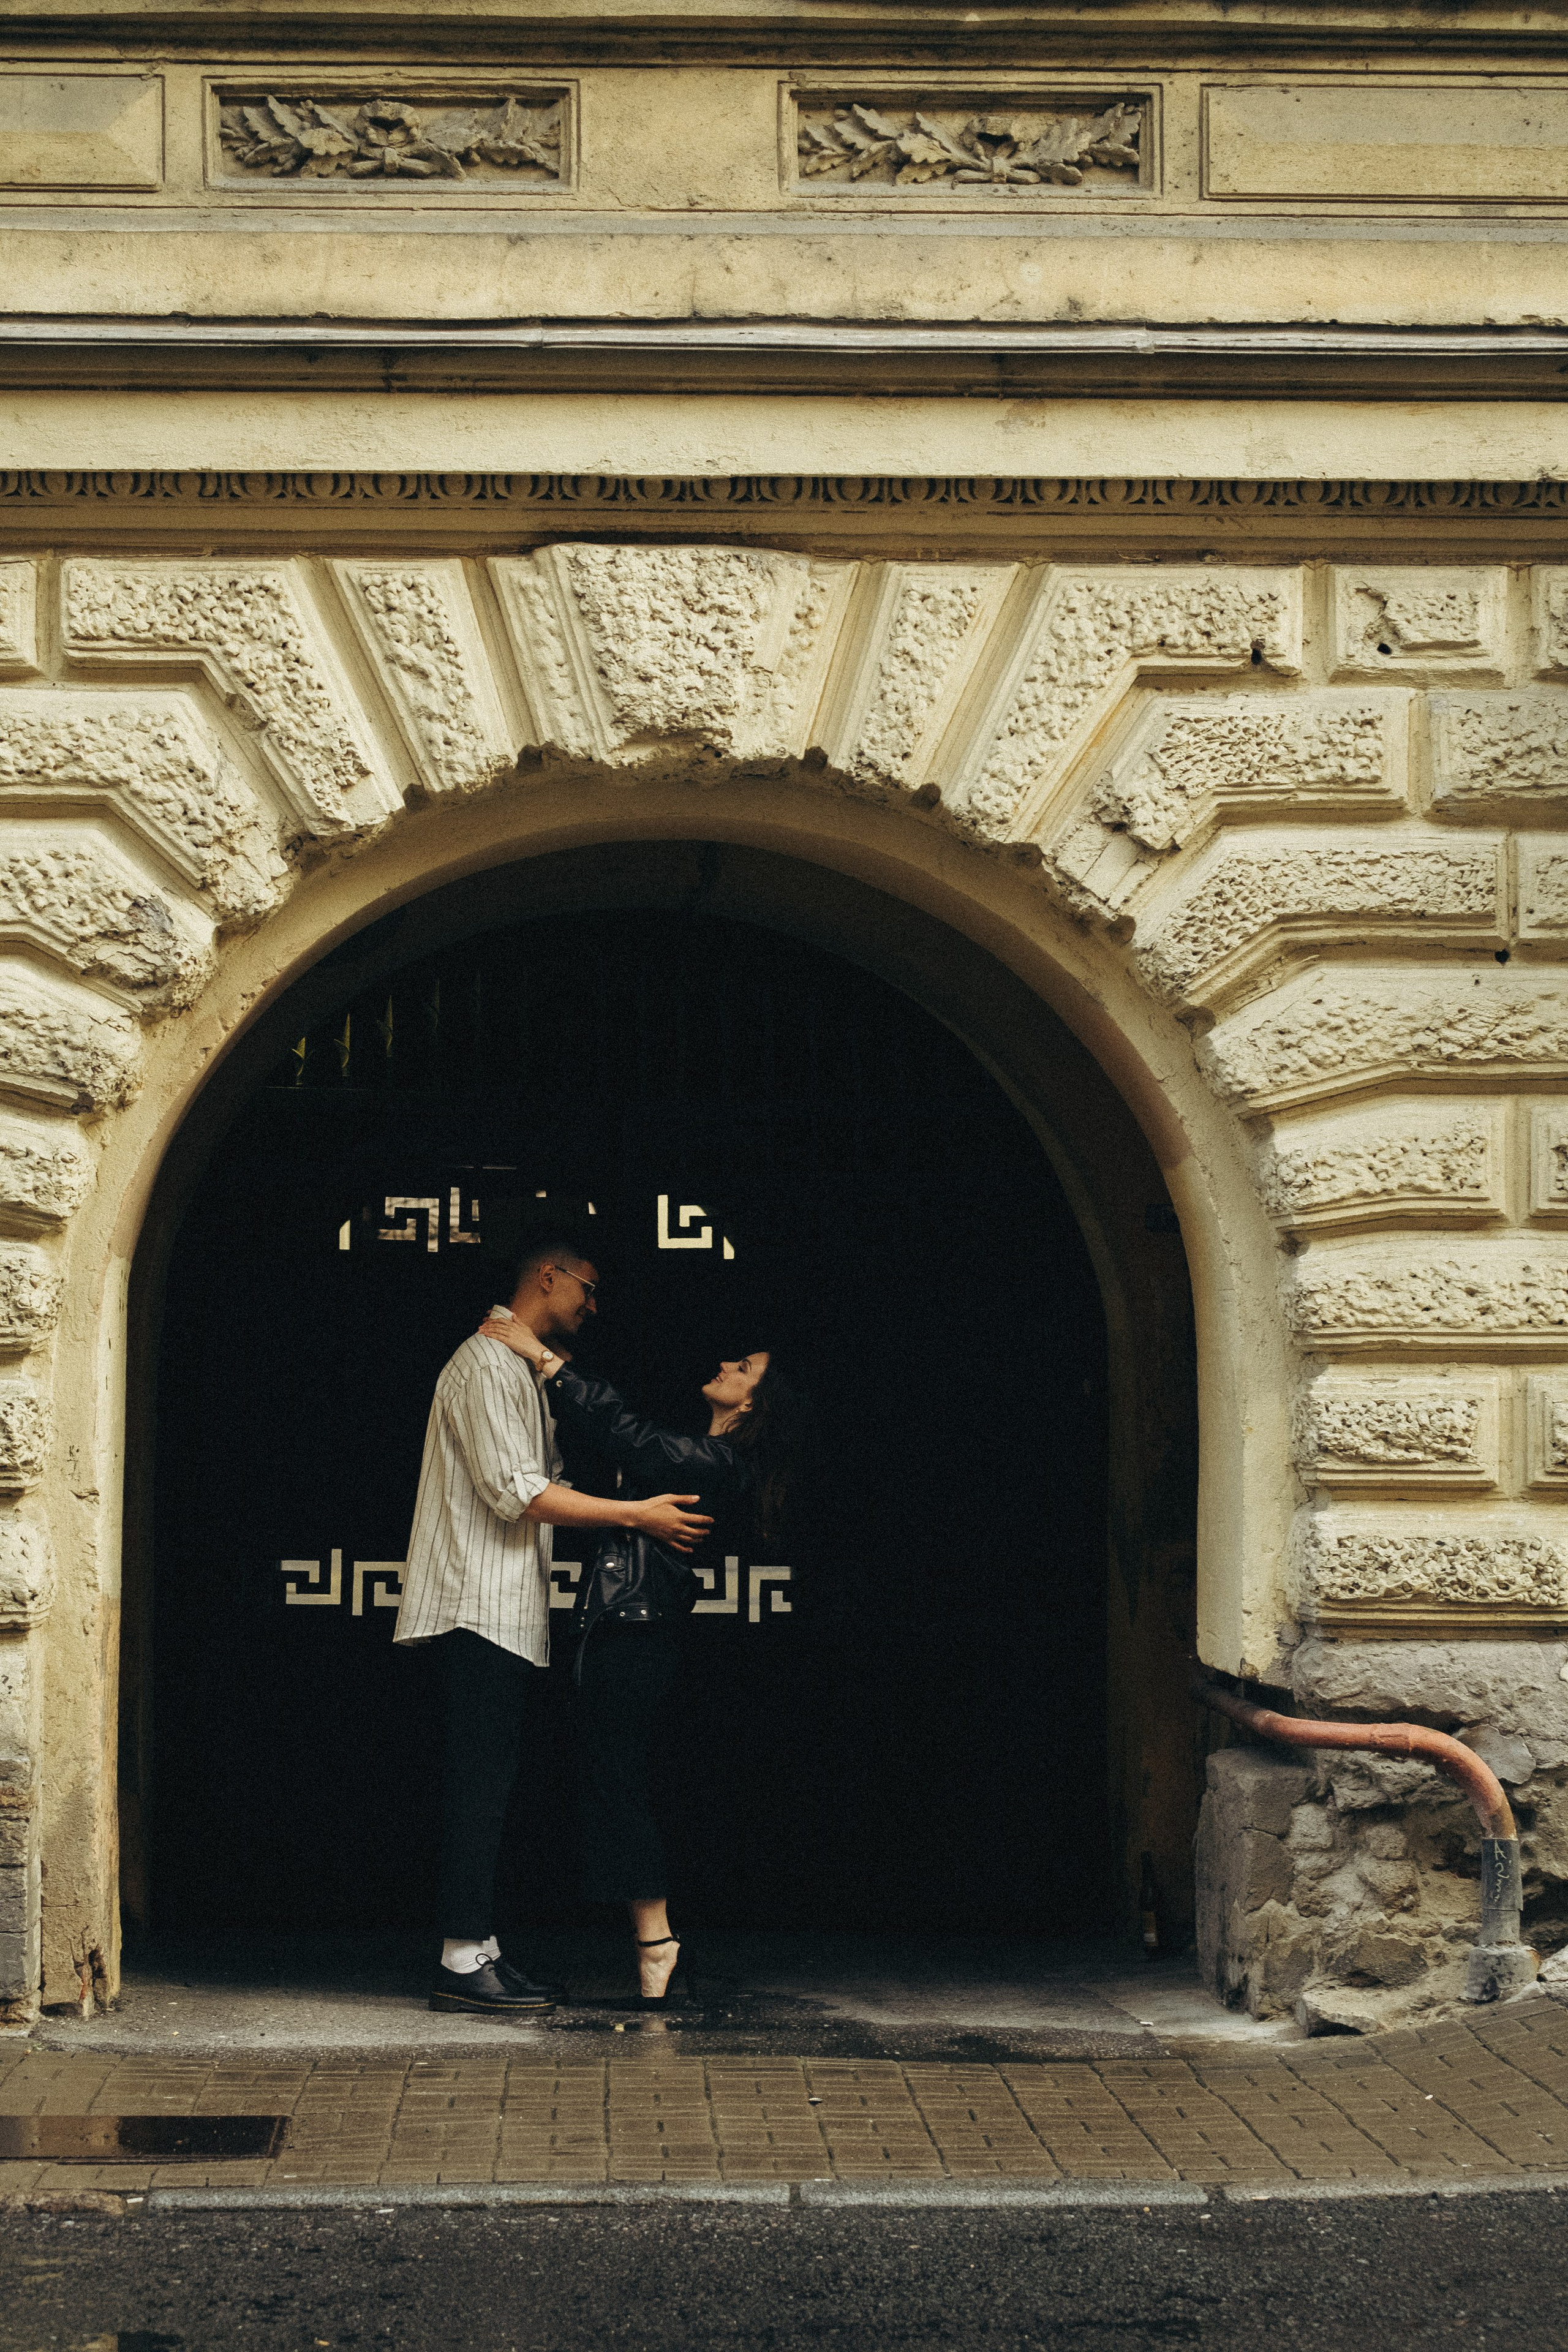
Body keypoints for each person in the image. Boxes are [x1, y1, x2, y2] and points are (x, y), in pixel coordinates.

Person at [393, 1226, 712, 2016]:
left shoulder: (518, 1366)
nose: (593, 1306)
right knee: (478, 1788)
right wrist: (637, 1514)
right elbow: (520, 1493)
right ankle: (462, 1960)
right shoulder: (485, 1364)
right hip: (475, 1603)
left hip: (500, 1607)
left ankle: (480, 1949)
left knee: (491, 1785)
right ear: (549, 1276)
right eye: (587, 1289)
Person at [478, 1310, 812, 2005]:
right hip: (626, 1635)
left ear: (753, 1403)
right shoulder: (703, 1455)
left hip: (635, 1639)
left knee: (618, 1787)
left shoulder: (716, 1463)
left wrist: (546, 1360)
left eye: (744, 1369)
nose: (726, 1366)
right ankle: (654, 1946)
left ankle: (658, 1946)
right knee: (612, 1785)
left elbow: (625, 1431)